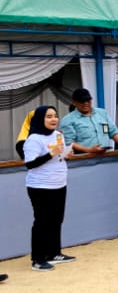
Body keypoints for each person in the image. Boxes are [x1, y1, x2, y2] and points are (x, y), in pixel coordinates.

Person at [23, 106, 74, 270]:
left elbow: (59, 155)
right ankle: (37, 259)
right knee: (42, 221)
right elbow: (30, 164)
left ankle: (54, 253)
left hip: (59, 183)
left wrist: (65, 154)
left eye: (55, 116)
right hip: (40, 186)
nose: (53, 119)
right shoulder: (34, 139)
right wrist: (51, 154)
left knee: (57, 219)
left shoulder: (58, 135)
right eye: (48, 116)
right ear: (39, 119)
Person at [59, 88, 118, 156]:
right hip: (84, 159)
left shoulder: (102, 113)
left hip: (107, 155)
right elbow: (69, 142)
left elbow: (113, 131)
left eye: (88, 100)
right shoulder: (68, 120)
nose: (86, 103)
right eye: (82, 101)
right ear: (74, 102)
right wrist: (89, 150)